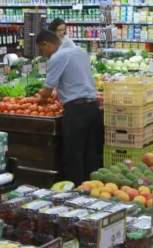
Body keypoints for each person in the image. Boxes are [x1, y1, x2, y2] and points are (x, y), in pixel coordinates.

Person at [35, 30, 103, 184]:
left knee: (74, 154)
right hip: (93, 107)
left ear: (46, 44)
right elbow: (75, 78)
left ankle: (77, 191)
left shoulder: (58, 57)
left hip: (76, 112)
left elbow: (46, 90)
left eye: (42, 49)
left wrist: (40, 98)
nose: (44, 54)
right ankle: (93, 188)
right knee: (91, 152)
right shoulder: (80, 51)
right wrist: (60, 92)